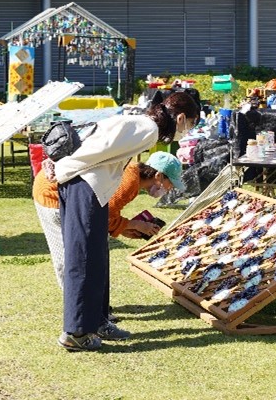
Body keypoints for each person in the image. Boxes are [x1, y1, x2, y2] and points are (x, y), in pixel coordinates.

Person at [51, 92, 200, 352]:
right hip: (84, 185)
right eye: (191, 124)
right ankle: (76, 331)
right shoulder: (148, 129)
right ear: (180, 118)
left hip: (90, 187)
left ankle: (95, 322)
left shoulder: (142, 125)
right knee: (83, 259)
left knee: (94, 258)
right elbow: (98, 147)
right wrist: (62, 167)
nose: (187, 131)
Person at [33, 151, 183, 289]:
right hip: (53, 197)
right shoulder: (130, 180)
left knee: (84, 254)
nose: (169, 189)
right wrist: (136, 224)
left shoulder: (133, 175)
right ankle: (78, 303)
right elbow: (99, 216)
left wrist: (124, 228)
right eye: (171, 184)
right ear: (158, 176)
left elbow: (105, 211)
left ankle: (87, 302)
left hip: (65, 195)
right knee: (70, 257)